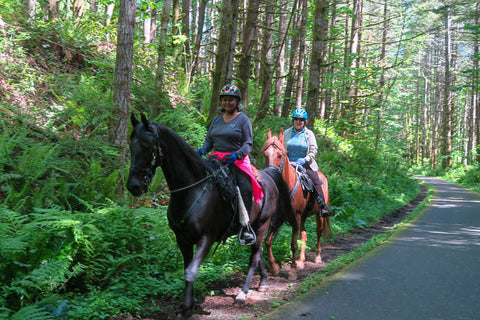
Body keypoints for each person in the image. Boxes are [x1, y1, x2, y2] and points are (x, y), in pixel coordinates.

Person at [197, 84, 263, 245]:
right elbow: (209, 141)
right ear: (222, 101)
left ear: (237, 101)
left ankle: (245, 227)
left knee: (245, 188)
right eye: (225, 100)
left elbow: (248, 143)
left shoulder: (243, 119)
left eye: (231, 100)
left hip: (236, 161)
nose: (227, 103)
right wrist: (202, 150)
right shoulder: (216, 120)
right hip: (215, 159)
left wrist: (237, 154)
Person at [283, 108, 331, 216]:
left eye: (301, 120)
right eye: (296, 119)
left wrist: (306, 159)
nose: (298, 122)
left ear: (305, 122)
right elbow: (281, 148)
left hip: (304, 164)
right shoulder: (287, 133)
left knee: (315, 179)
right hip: (288, 163)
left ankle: (322, 205)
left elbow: (314, 150)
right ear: (293, 120)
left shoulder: (309, 134)